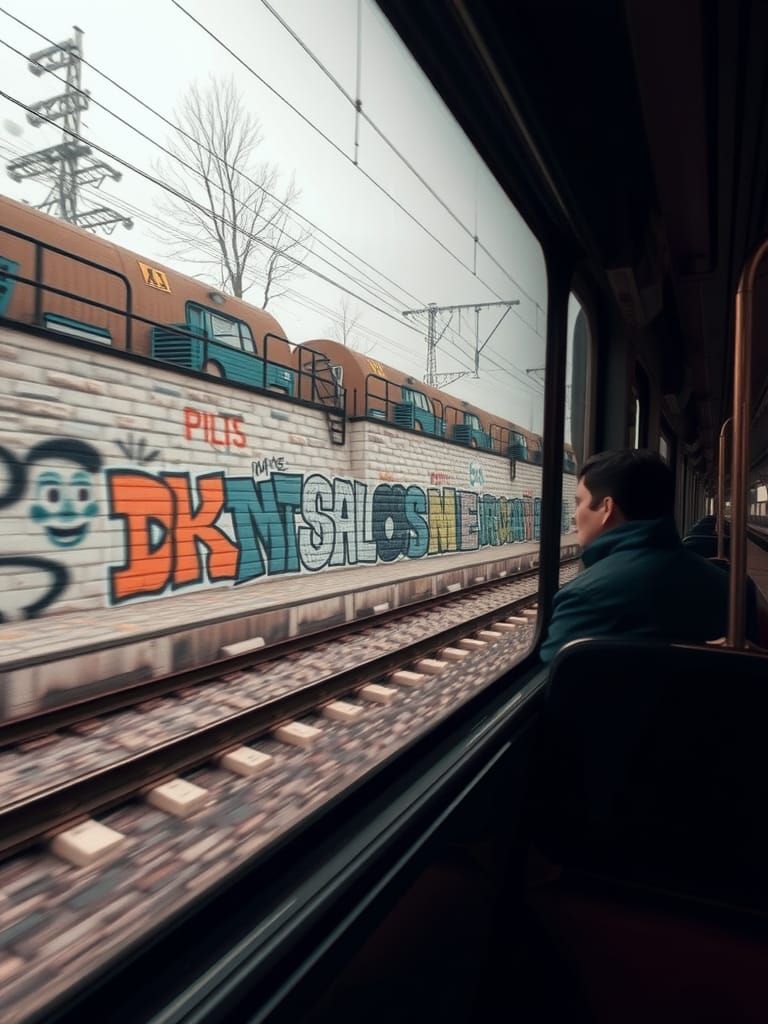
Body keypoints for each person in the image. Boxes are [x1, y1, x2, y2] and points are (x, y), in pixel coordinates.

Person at [540, 449, 730, 662]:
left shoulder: (582, 597)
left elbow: (555, 682)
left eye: (578, 503)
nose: (574, 516)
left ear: (606, 508)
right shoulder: (731, 588)